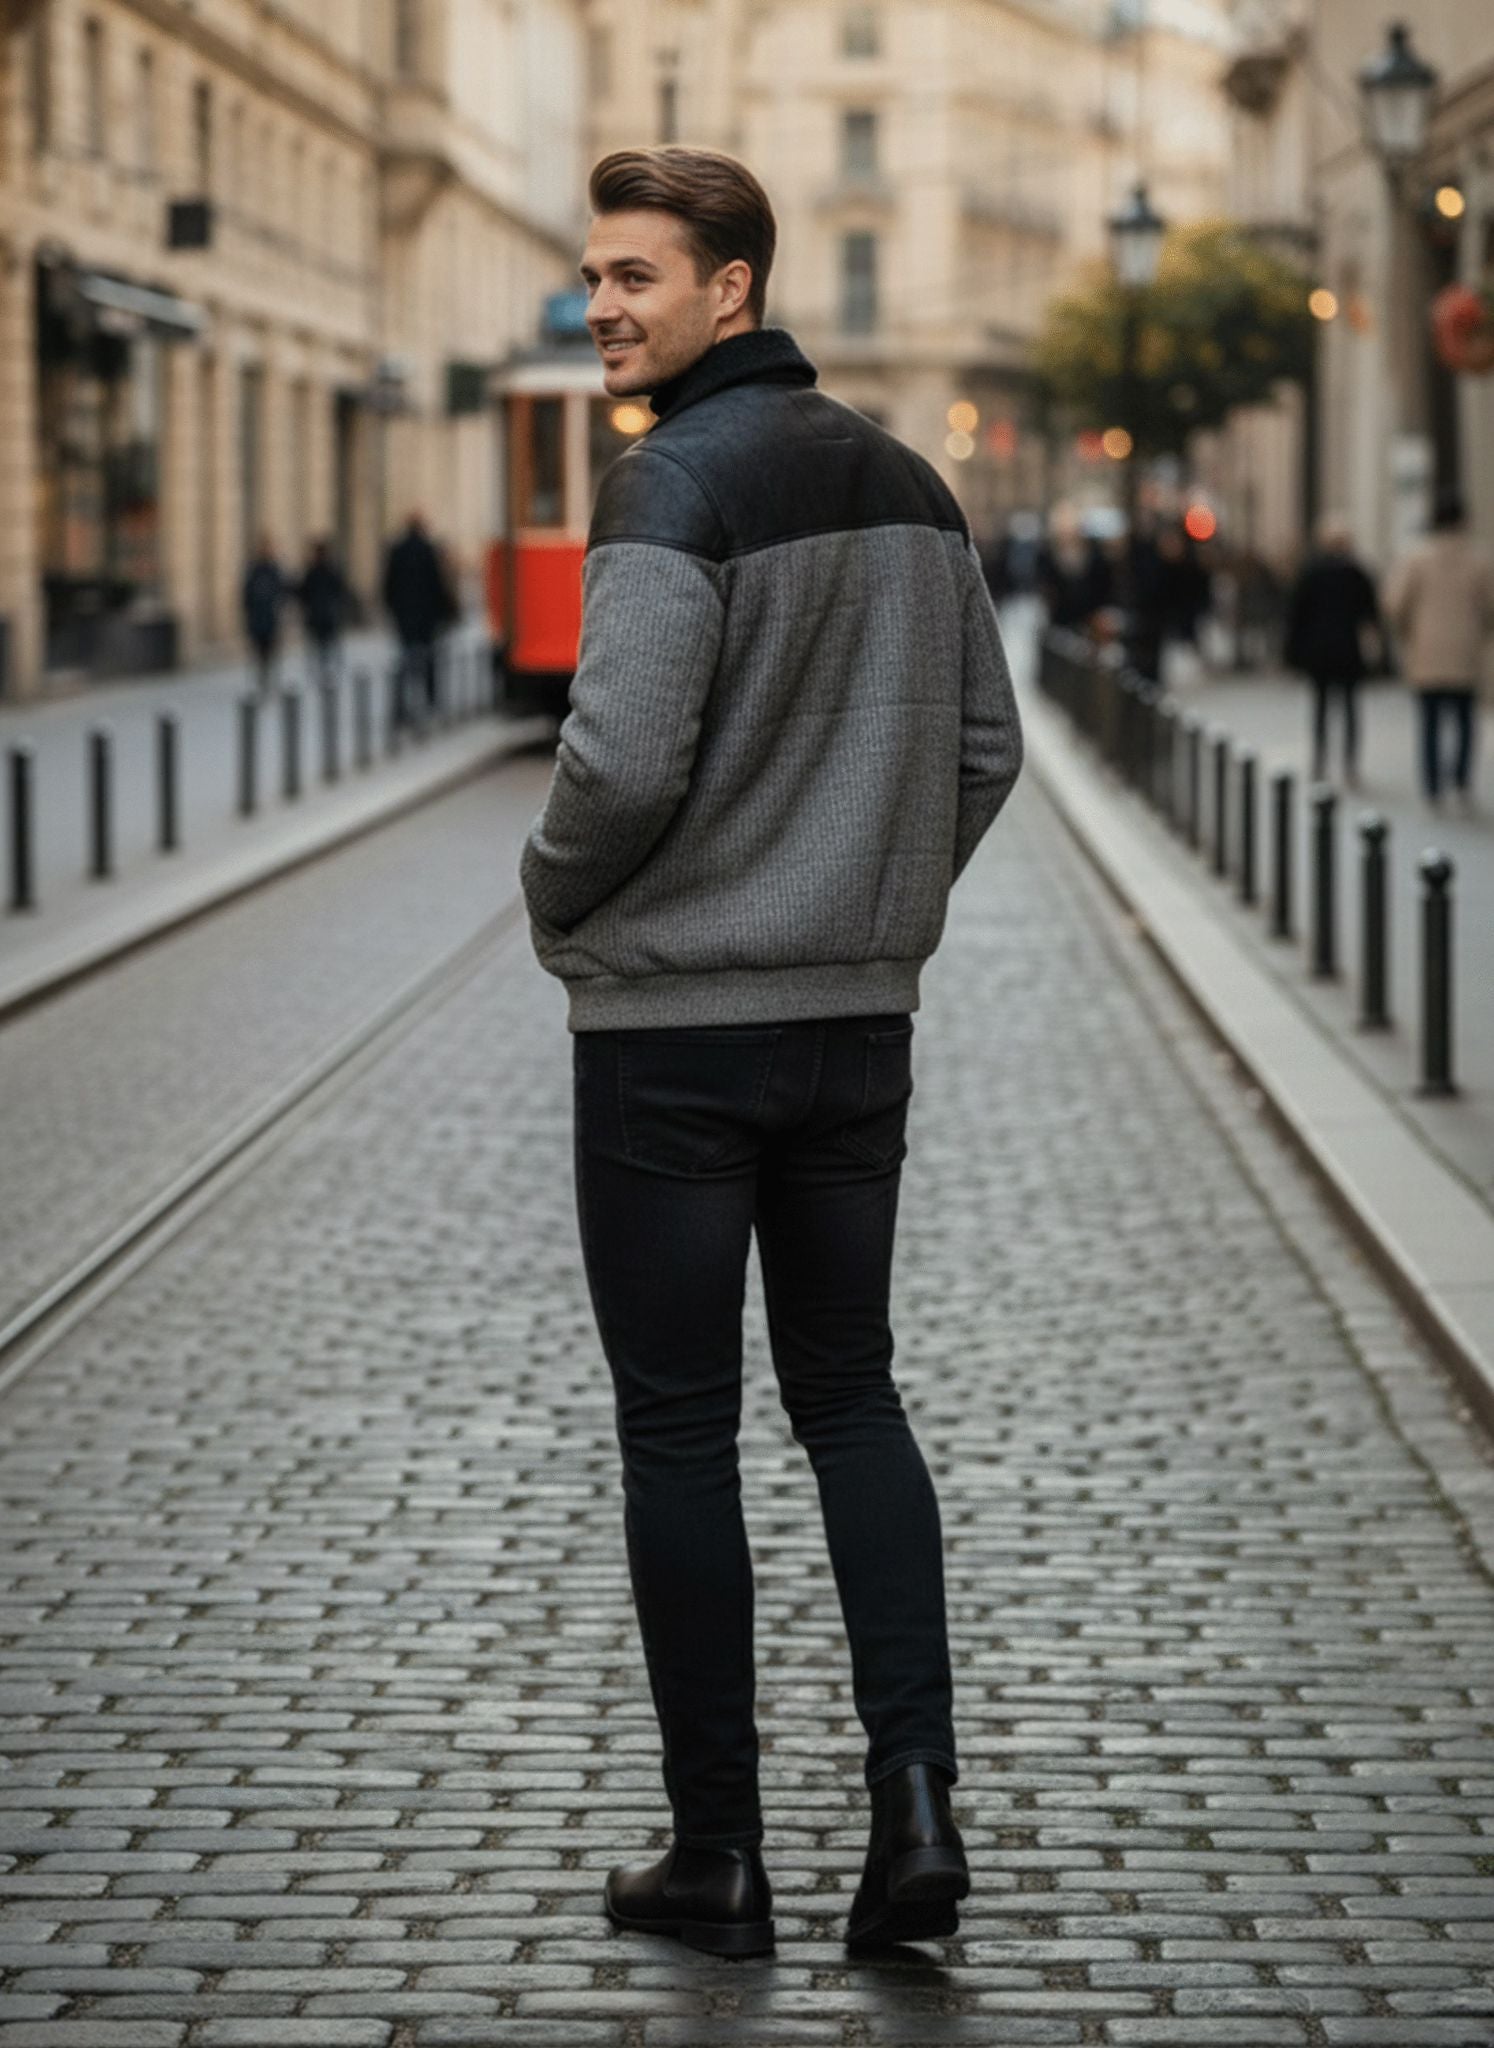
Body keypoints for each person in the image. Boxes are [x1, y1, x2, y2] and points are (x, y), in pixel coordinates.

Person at [519, 146, 1022, 1961]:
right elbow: (983, 750)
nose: (604, 305)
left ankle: (717, 1852)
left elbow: (620, 763)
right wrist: (868, 909)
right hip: (851, 1037)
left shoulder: (667, 483)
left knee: (678, 1431)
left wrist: (552, 897)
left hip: (670, 1042)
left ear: (731, 290)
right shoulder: (906, 482)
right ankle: (910, 1810)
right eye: (595, 274)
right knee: (850, 1396)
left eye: (636, 276)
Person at [1385, 490, 1493, 810]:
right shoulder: (1480, 559)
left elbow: (1394, 604)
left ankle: (1432, 786)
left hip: (1426, 651)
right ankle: (1460, 781)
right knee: (1464, 720)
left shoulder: (1416, 557)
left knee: (1430, 722)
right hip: (1465, 651)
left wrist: (1407, 634)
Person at [1282, 512, 1383, 788]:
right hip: (1348, 649)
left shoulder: (1311, 572)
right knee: (1350, 707)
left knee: (1321, 707)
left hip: (1320, 650)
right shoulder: (1357, 572)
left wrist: (1291, 654)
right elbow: (1372, 614)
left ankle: (1320, 760)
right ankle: (1349, 765)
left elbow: (1296, 615)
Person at [381, 512, 454, 729]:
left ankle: (401, 709)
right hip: (426, 618)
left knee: (404, 662)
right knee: (428, 662)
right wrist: (442, 613)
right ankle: (430, 703)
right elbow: (437, 585)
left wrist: (394, 610)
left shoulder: (397, 551)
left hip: (405, 617)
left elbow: (388, 585)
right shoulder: (428, 550)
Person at [298, 536, 349, 686]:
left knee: (324, 647)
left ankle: (325, 673)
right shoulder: (325, 571)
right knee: (324, 647)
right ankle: (325, 673)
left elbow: (303, 593)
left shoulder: (317, 571)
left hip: (321, 615)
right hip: (323, 615)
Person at [241, 535, 286, 697]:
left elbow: (282, 592)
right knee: (259, 652)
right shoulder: (254, 570)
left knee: (270, 652)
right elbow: (246, 595)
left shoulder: (274, 570)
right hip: (257, 618)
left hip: (270, 618)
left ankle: (267, 680)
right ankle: (262, 680)